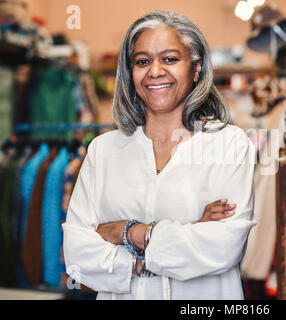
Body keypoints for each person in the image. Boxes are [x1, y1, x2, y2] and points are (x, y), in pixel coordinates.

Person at [62, 10, 257, 300]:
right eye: (142, 61)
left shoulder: (229, 144)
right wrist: (188, 232)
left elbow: (222, 248)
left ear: (196, 68)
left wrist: (127, 232)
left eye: (169, 59)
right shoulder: (103, 150)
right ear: (131, 73)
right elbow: (78, 254)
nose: (154, 71)